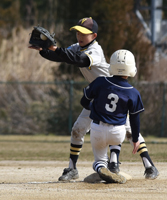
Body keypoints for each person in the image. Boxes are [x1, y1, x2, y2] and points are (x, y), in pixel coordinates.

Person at [29, 17, 159, 181]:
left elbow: (79, 60)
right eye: (78, 32)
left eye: (84, 33)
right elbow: (63, 57)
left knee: (129, 131)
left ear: (94, 35)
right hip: (97, 96)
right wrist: (43, 50)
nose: (80, 36)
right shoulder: (78, 47)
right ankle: (72, 169)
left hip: (114, 93)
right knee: (77, 130)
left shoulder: (95, 51)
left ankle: (149, 166)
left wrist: (55, 48)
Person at [80, 49, 144, 183]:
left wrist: (93, 109)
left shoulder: (100, 82)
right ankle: (114, 161)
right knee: (115, 140)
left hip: (97, 128)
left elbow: (84, 101)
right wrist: (136, 138)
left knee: (98, 161)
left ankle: (101, 167)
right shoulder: (133, 93)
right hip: (117, 132)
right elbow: (134, 119)